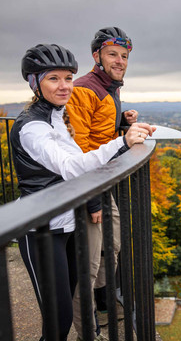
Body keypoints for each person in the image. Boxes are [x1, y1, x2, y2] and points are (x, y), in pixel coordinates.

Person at [10, 43, 154, 341]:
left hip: (68, 225)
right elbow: (72, 167)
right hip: (41, 230)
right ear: (35, 82)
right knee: (58, 324)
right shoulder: (32, 128)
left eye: (68, 78)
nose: (64, 86)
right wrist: (122, 143)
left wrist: (119, 126)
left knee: (72, 302)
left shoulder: (56, 116)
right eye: (54, 78)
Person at [66, 27, 138, 337]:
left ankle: (103, 300)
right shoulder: (84, 89)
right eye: (113, 54)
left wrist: (124, 122)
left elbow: (100, 133)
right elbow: (79, 147)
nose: (120, 60)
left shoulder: (110, 88)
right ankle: (88, 329)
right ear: (97, 56)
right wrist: (91, 198)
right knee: (90, 263)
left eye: (124, 56)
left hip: (102, 180)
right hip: (88, 185)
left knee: (114, 244)